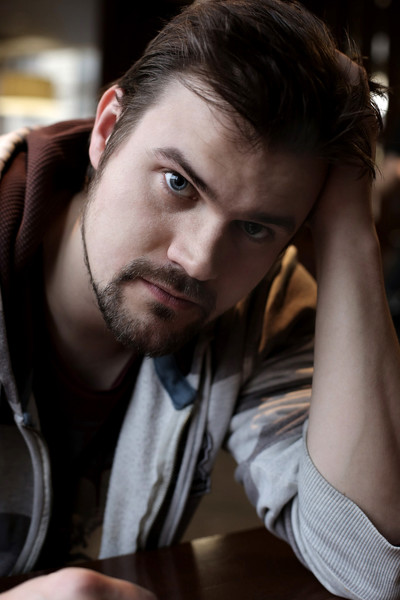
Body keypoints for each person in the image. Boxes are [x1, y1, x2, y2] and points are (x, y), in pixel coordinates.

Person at [0, 0, 399, 598]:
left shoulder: (266, 307)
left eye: (255, 227)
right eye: (178, 183)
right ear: (108, 131)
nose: (199, 262)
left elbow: (367, 564)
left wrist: (349, 225)